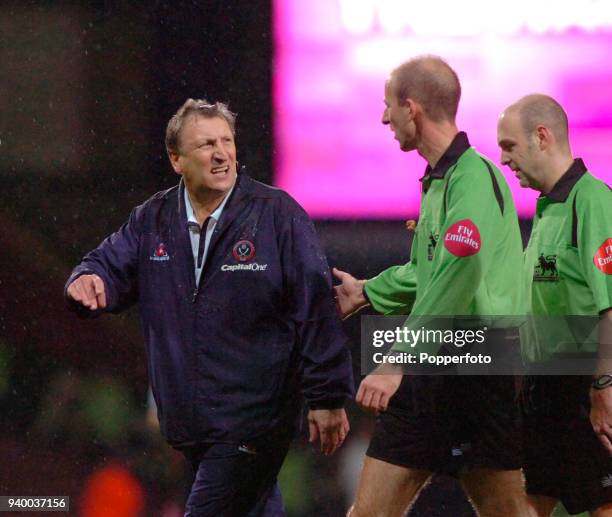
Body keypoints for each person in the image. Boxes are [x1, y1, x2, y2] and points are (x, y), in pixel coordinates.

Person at [65, 99, 354, 516]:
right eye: (205, 145)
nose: (221, 154)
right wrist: (85, 280)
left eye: (227, 141)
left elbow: (315, 307)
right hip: (190, 425)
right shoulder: (153, 219)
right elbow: (105, 267)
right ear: (176, 159)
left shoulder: (277, 215)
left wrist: (327, 395)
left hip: (254, 421)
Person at [333, 56, 529, 516]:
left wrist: (397, 359)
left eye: (388, 107)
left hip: (479, 364)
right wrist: (368, 291)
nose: (384, 118)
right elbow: (432, 271)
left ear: (412, 107)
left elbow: (457, 276)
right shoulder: (440, 182)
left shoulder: (473, 178)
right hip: (439, 360)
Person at [497, 94, 612, 516]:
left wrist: (604, 387)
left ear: (542, 137)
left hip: (584, 386)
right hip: (544, 390)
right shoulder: (548, 210)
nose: (504, 159)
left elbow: (610, 305)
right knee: (527, 505)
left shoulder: (592, 201)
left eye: (509, 146)